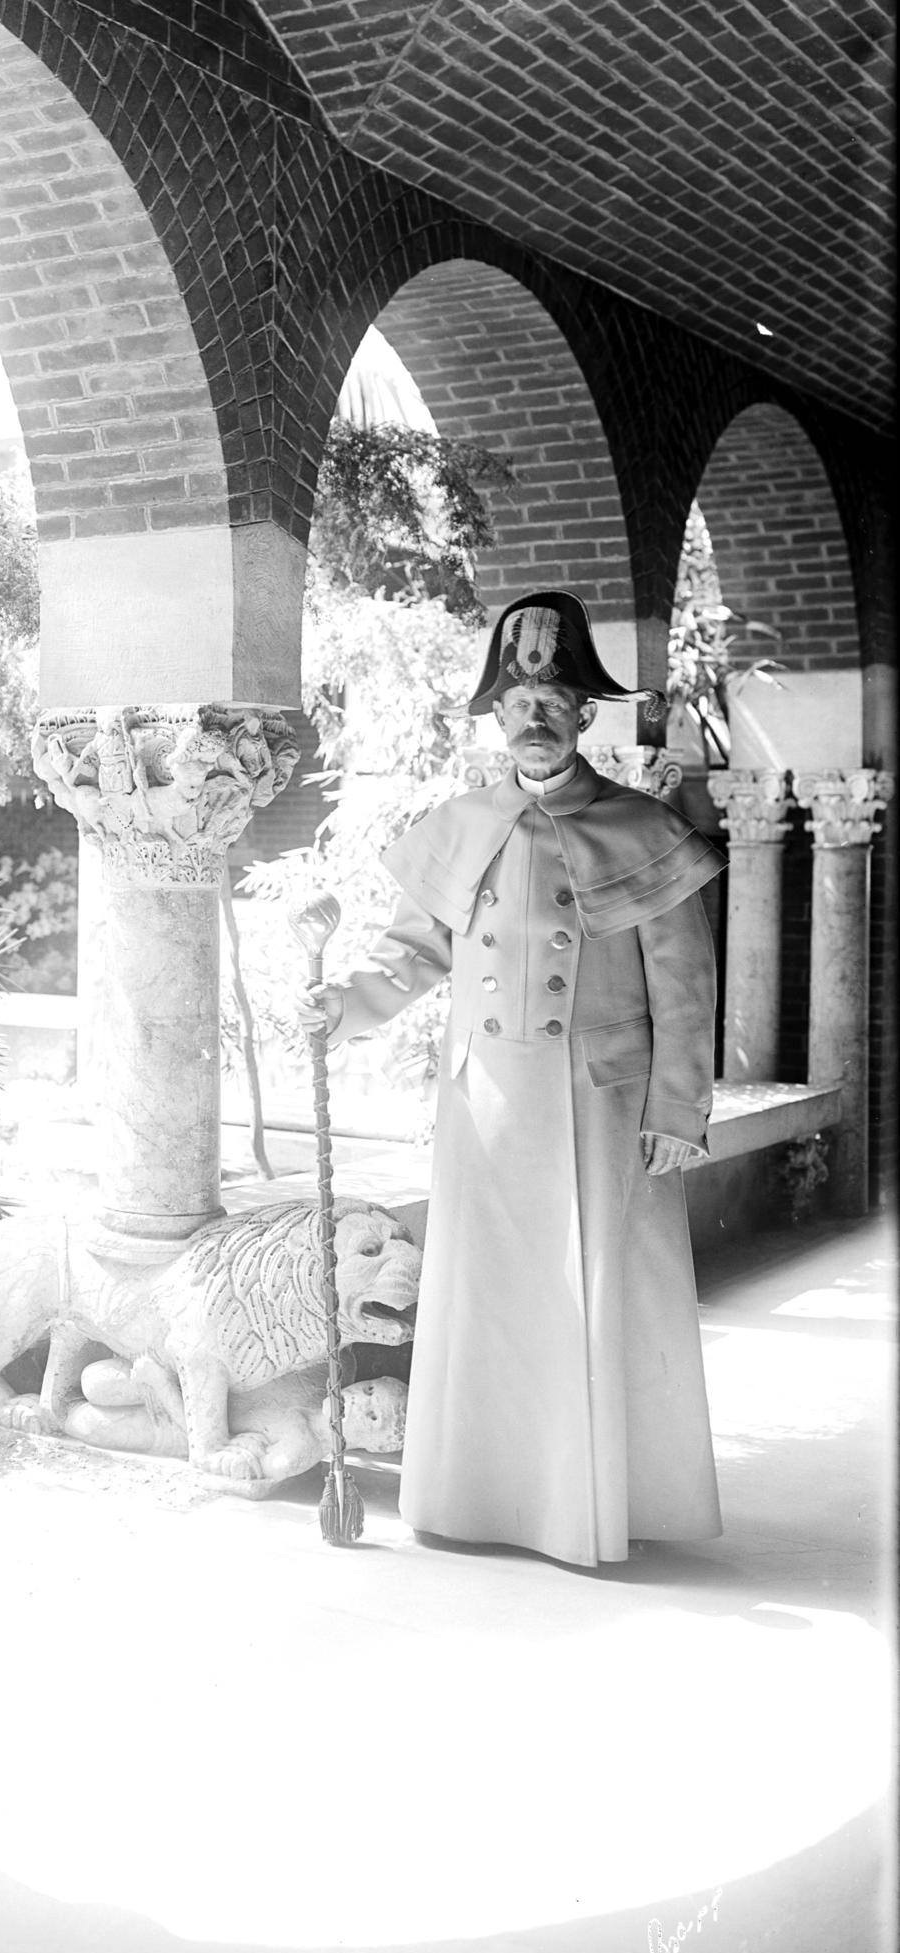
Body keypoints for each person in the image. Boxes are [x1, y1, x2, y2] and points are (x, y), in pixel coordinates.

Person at [300, 590, 725, 1566]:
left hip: (598, 1103)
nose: (536, 714)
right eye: (519, 699)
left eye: (555, 699)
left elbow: (683, 984)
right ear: (496, 712)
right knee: (490, 1305)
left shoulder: (641, 828)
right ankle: (481, 1499)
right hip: (484, 1104)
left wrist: (676, 1107)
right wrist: (345, 1004)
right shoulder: (461, 823)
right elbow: (414, 952)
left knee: (589, 1300)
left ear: (582, 712)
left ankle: (583, 1508)